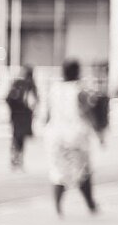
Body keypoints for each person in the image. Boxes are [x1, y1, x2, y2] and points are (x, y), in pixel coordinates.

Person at [40, 58, 99, 216]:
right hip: (76, 135)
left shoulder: (54, 89)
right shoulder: (79, 90)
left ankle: (58, 205)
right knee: (83, 171)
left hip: (56, 135)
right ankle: (90, 203)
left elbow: (46, 114)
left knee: (58, 171)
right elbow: (87, 113)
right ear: (77, 72)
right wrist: (98, 132)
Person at [4, 66, 38, 170]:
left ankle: (16, 158)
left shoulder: (18, 83)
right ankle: (18, 158)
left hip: (17, 114)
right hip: (23, 115)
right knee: (20, 137)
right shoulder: (29, 85)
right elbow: (36, 100)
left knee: (17, 136)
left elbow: (8, 98)